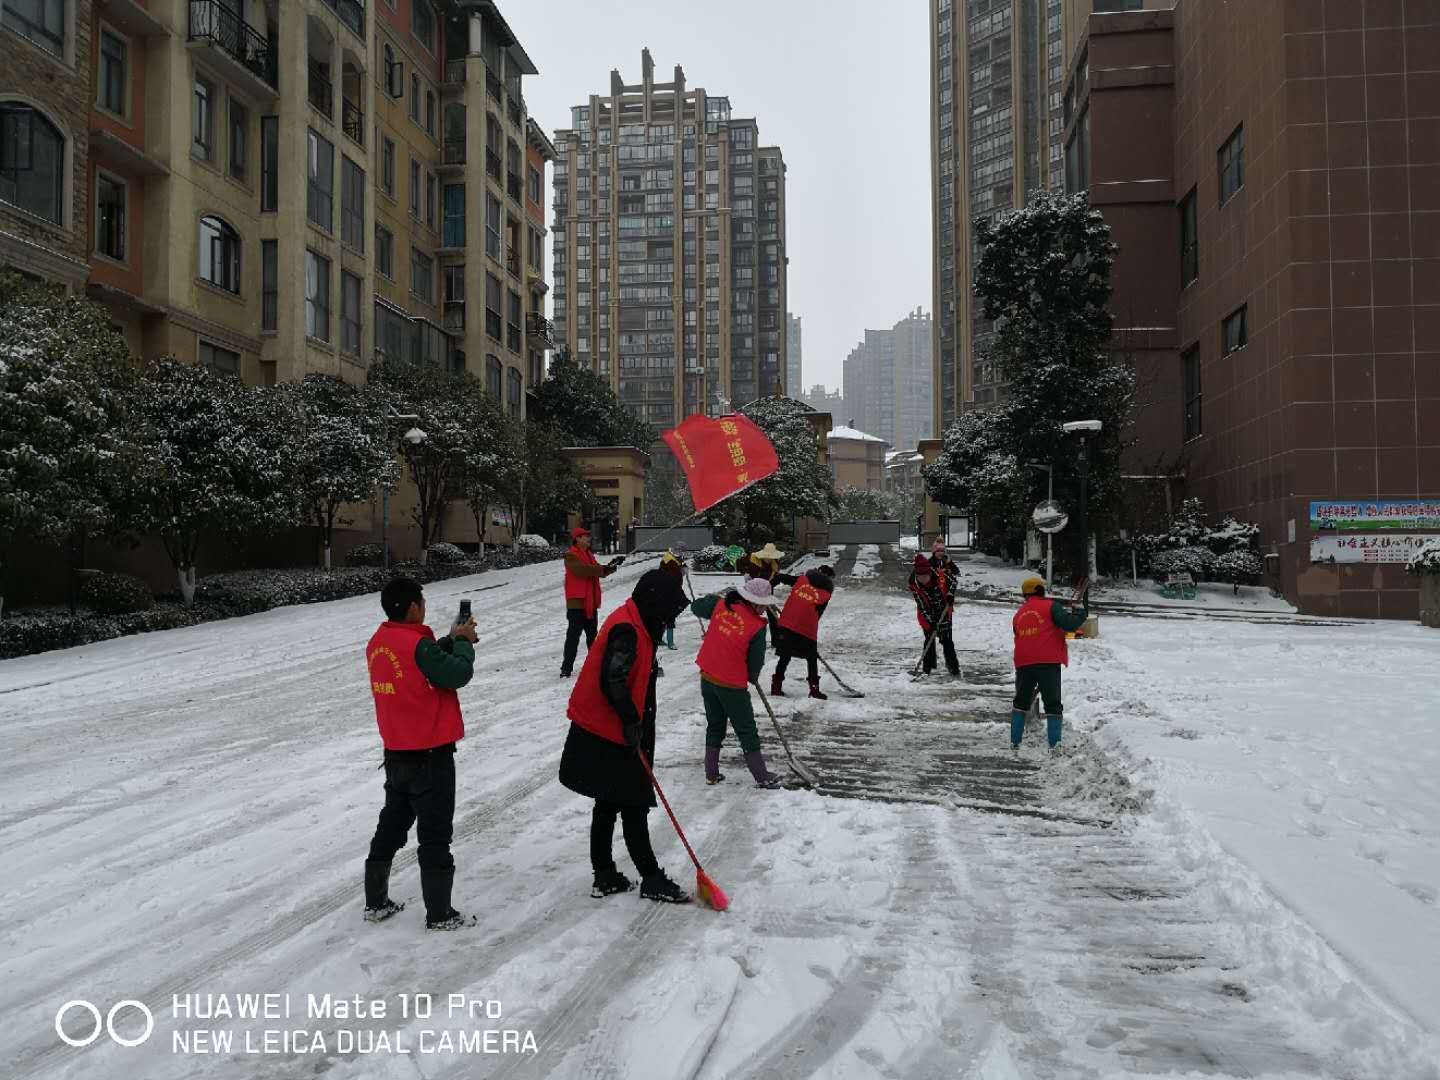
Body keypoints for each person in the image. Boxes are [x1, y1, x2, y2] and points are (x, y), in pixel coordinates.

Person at [559, 569, 693, 903]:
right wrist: (632, 721)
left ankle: (604, 875)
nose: (669, 616)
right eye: (668, 608)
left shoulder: (636, 619)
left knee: (606, 802)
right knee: (634, 803)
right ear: (654, 601)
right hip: (611, 730)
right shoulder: (628, 630)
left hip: (607, 727)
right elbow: (612, 679)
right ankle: (650, 878)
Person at [363, 578, 478, 931]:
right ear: (413, 606)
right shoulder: (419, 648)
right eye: (422, 601)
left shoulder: (379, 642)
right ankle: (440, 913)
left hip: (397, 752)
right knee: (435, 834)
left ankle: (376, 901)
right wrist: (463, 643)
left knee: (392, 825)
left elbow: (417, 665)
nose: (424, 607)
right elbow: (457, 673)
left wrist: (445, 641)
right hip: (430, 754)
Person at [690, 577, 785, 788]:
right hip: (731, 684)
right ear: (753, 601)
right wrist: (751, 677)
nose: (764, 609)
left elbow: (696, 607)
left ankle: (711, 773)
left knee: (715, 724)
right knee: (746, 729)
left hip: (708, 675)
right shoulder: (757, 626)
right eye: (763, 604)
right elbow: (755, 662)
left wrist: (712, 600)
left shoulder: (722, 605)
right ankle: (762, 776)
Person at [1011, 576, 1089, 750]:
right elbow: (1069, 625)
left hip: (1023, 661)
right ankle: (1054, 743)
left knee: (1021, 701)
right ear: (1041, 590)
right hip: (1047, 661)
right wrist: (1080, 612)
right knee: (1052, 703)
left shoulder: (1019, 614)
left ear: (1026, 594)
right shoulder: (1052, 606)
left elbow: (1019, 634)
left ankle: (1014, 741)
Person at [562, 526, 624, 678]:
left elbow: (598, 571)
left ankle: (596, 666)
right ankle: (566, 668)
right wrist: (602, 569)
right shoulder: (570, 555)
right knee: (573, 638)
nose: (588, 538)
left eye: (588, 536)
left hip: (590, 603)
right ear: (577, 539)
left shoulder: (589, 555)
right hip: (577, 604)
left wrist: (612, 565)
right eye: (585, 536)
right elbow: (582, 571)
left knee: (593, 639)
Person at [771, 565, 835, 700]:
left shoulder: (802, 580)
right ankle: (814, 690)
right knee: (811, 658)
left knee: (785, 655)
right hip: (806, 628)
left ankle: (776, 687)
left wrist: (767, 588)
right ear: (829, 578)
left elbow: (780, 577)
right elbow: (818, 614)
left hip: (787, 622)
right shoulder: (826, 593)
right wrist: (811, 641)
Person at [909, 554, 959, 676]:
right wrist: (931, 623)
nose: (923, 579)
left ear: (929, 573)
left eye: (925, 576)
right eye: (920, 577)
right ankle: (927, 668)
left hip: (943, 611)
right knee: (929, 640)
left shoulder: (939, 575)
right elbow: (921, 605)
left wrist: (950, 595)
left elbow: (954, 581)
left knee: (947, 641)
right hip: (927, 613)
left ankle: (954, 668)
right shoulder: (914, 584)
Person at [659, 551, 685, 650]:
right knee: (669, 618)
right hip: (669, 596)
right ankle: (670, 642)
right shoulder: (673, 568)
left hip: (661, 594)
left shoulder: (665, 564)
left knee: (662, 618)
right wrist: (681, 572)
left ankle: (660, 639)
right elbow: (677, 582)